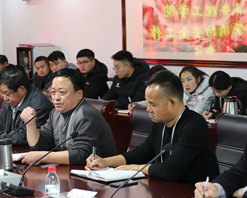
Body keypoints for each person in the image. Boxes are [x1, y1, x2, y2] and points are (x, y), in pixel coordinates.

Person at [87, 70, 217, 184]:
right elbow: (142, 153)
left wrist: (136, 168)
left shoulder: (194, 125)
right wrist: (105, 162)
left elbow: (170, 170)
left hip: (194, 195)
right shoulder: (161, 122)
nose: (148, 109)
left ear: (172, 103)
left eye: (153, 104)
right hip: (166, 189)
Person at [17, 69, 117, 165]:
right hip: (71, 169)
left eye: (62, 92)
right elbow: (38, 146)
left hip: (98, 172)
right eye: (53, 92)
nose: (56, 97)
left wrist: (42, 157)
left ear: (79, 94)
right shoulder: (55, 112)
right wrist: (30, 123)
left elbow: (81, 155)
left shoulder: (85, 115)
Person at [0, 65, 53, 147]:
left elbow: (24, 136)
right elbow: (0, 124)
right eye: (2, 93)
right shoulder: (10, 101)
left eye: (7, 93)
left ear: (22, 89)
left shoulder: (39, 105)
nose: (4, 98)